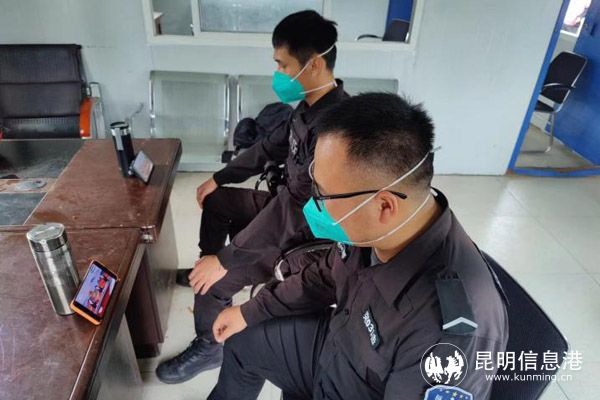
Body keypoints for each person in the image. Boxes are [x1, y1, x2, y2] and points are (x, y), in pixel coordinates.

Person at [207, 93, 509, 399]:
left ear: (384, 206)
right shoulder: (373, 229)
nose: (314, 204)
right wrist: (250, 311)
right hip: (336, 348)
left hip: (362, 388)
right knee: (243, 340)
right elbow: (325, 275)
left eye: (323, 195)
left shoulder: (446, 335)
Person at [156, 10, 349, 384]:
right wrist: (219, 177)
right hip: (284, 209)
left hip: (303, 237)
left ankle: (208, 348)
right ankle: (204, 267)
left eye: (282, 65)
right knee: (218, 202)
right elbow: (268, 147)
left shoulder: (334, 130)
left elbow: (296, 210)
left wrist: (227, 259)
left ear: (314, 64)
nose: (277, 73)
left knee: (215, 282)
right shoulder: (308, 107)